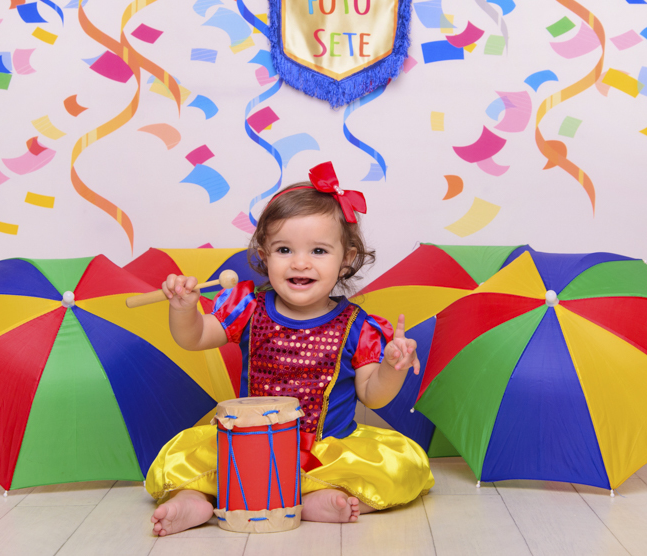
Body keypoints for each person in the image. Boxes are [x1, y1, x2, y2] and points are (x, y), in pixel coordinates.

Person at [147, 161, 434, 536]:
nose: (300, 262)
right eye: (284, 249)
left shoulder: (358, 327)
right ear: (265, 256)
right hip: (249, 446)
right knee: (184, 459)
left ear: (346, 259)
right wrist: (184, 309)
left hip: (325, 450)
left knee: (402, 468)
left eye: (318, 251)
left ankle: (311, 498)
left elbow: (373, 396)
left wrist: (391, 367)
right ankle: (194, 501)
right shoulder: (248, 307)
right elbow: (194, 338)